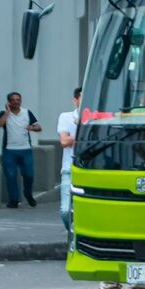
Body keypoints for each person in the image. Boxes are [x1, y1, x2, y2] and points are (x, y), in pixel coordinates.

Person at [0, 91, 41, 208]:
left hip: (26, 149)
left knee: (29, 174)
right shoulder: (4, 114)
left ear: (21, 101)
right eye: (13, 100)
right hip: (9, 150)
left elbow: (38, 127)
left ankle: (28, 193)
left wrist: (31, 127)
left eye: (18, 100)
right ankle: (13, 200)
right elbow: (0, 124)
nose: (16, 102)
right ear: (8, 102)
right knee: (11, 175)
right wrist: (7, 112)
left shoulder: (27, 113)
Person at [57, 87, 81, 232]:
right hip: (69, 168)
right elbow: (64, 141)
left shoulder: (96, 118)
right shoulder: (65, 117)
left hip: (88, 169)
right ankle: (70, 232)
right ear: (75, 100)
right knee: (65, 210)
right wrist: (84, 135)